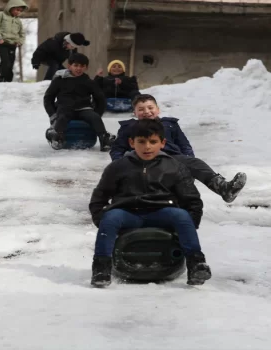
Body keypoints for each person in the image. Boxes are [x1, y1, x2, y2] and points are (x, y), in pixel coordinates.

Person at [89, 119, 212, 287]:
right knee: (111, 218)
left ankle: (196, 263)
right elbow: (100, 196)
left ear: (162, 143)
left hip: (162, 211)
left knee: (181, 215)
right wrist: (100, 218)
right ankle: (101, 267)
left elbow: (191, 198)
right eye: (141, 141)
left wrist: (190, 225)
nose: (147, 147)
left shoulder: (174, 166)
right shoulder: (118, 167)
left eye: (153, 142)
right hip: (127, 212)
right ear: (132, 143)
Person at [110, 94, 247, 203]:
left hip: (171, 159)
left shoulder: (169, 125)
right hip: (141, 160)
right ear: (134, 113)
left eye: (150, 108)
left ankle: (223, 188)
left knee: (196, 163)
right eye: (141, 109)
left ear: (158, 109)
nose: (146, 112)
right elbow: (117, 149)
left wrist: (188, 165)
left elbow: (184, 146)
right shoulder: (129, 127)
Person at [43, 53, 116, 151]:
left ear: (86, 67)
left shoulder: (88, 82)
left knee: (94, 117)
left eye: (82, 66)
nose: (79, 68)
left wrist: (97, 112)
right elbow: (48, 97)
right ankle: (57, 137)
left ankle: (104, 139)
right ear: (69, 66)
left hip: (84, 108)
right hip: (65, 108)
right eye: (76, 65)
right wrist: (52, 114)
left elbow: (100, 98)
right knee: (62, 117)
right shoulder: (60, 80)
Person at [0, 0, 28, 83]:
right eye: (17, 10)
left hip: (13, 44)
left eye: (20, 11)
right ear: (11, 8)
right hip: (3, 43)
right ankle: (1, 78)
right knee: (5, 60)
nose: (18, 12)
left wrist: (20, 41)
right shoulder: (1, 15)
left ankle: (8, 80)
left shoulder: (18, 21)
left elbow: (22, 33)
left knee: (11, 62)